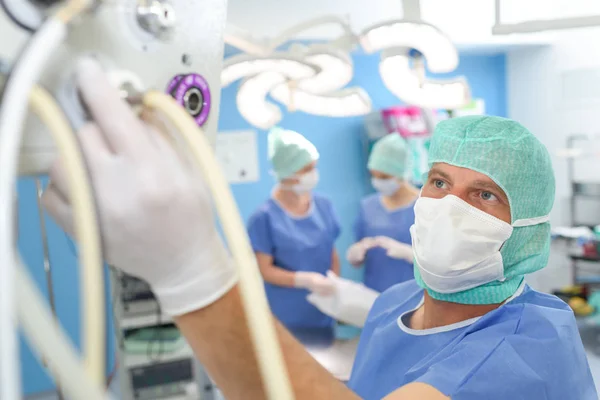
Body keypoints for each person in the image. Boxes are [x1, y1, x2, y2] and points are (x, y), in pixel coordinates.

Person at [44, 58, 597, 400]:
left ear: (525, 231)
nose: (449, 206)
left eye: (484, 196)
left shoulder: (527, 352)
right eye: (437, 181)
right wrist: (347, 297)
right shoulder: (400, 304)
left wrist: (190, 274)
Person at [246, 127, 341, 334]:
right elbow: (265, 270)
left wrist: (335, 287)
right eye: (306, 169)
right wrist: (303, 280)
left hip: (322, 314)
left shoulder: (324, 205)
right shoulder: (264, 217)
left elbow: (330, 251)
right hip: (286, 317)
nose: (313, 174)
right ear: (286, 172)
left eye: (313, 167)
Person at [346, 133, 419, 292]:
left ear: (402, 173)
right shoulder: (368, 205)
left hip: (413, 295)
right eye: (374, 175)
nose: (378, 181)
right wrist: (356, 255)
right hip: (374, 293)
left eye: (384, 176)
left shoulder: (425, 206)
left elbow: (440, 263)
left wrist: (409, 254)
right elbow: (359, 258)